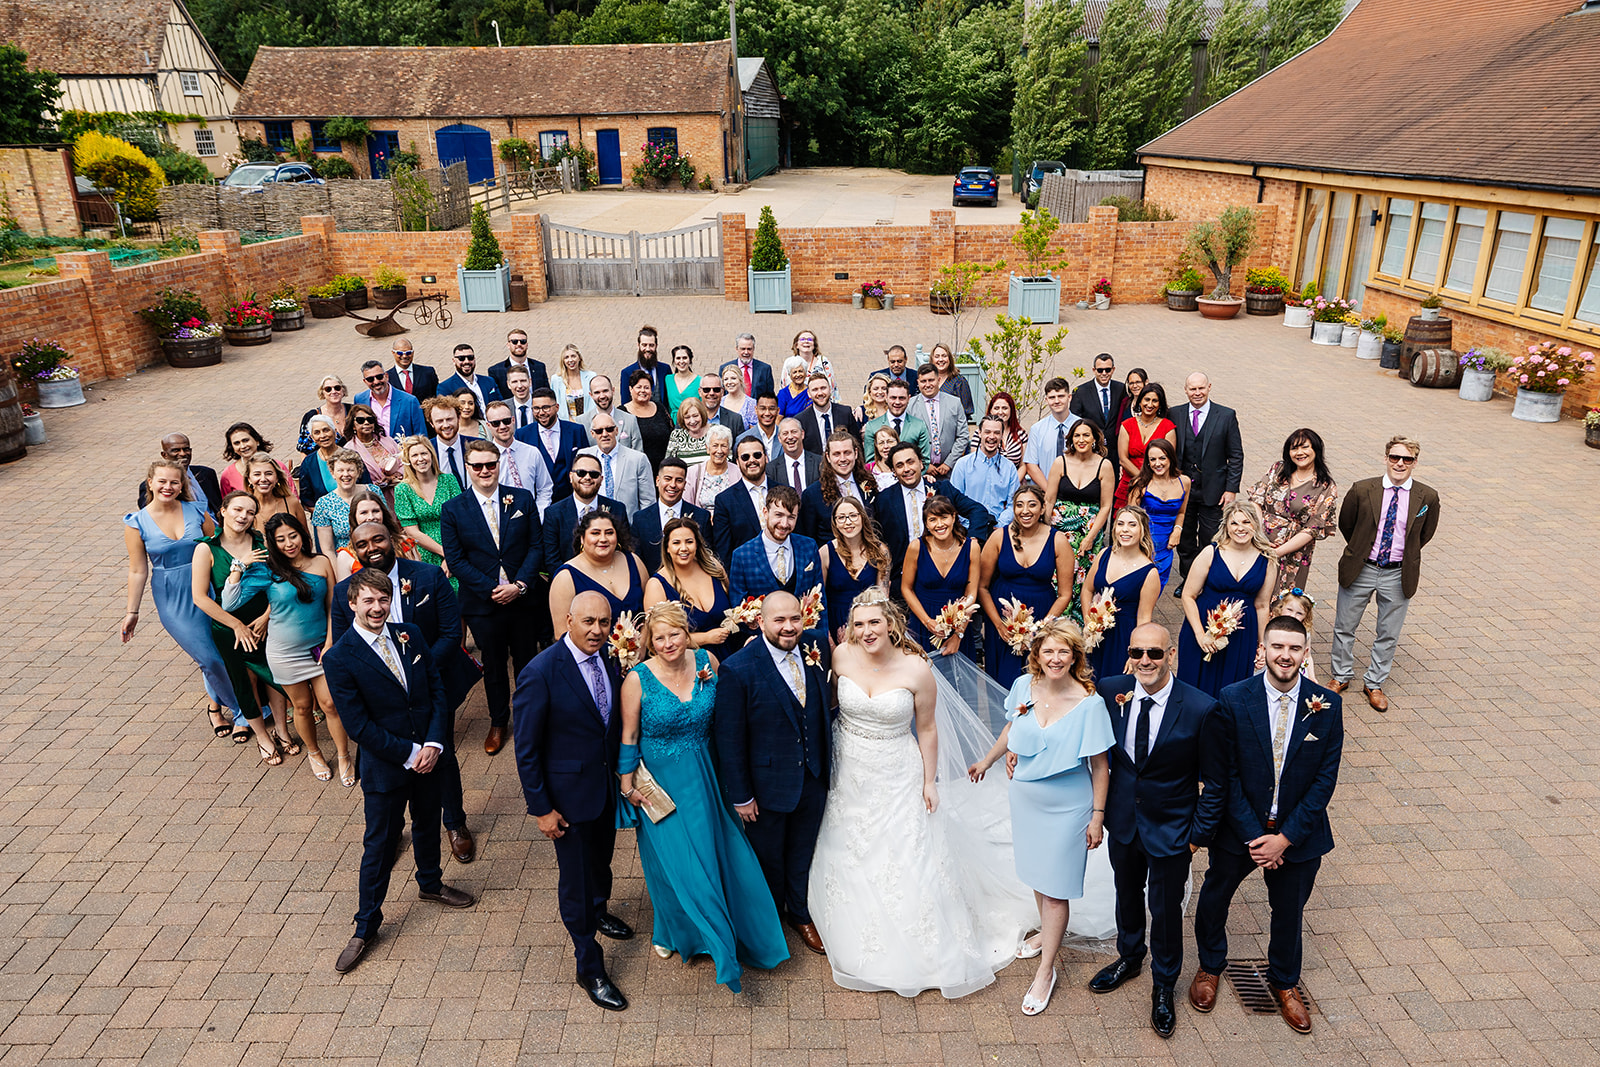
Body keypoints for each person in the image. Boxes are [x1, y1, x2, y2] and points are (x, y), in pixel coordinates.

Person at [812, 591, 1037, 996]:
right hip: (849, 766)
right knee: (849, 840)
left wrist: (929, 781)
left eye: (874, 623)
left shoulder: (916, 669)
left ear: (891, 624)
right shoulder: (841, 657)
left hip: (898, 767)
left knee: (906, 850)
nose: (866, 632)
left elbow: (928, 729)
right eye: (859, 624)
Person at [618, 602, 790, 987]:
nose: (667, 644)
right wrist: (627, 785)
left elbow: (728, 712)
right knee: (674, 864)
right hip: (660, 785)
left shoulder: (706, 661)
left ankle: (735, 934)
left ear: (687, 633)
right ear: (650, 640)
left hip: (709, 776)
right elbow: (629, 736)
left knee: (722, 856)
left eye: (674, 635)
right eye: (658, 638)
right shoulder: (637, 679)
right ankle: (676, 932)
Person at [1192, 615, 1343, 1035]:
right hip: (1240, 826)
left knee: (1289, 911)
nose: (1285, 655)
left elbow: (1324, 781)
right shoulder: (1233, 699)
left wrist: (1285, 839)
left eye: (1295, 648)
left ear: (1305, 653)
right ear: (1263, 649)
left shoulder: (1327, 706)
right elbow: (1225, 775)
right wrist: (1255, 836)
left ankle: (1285, 982)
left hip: (1298, 833)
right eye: (1278, 646)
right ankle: (1209, 966)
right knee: (1215, 896)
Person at [323, 569, 476, 974]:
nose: (377, 608)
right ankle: (366, 924)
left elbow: (437, 691)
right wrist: (411, 753)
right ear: (352, 604)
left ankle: (430, 883)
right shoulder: (339, 657)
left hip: (429, 755)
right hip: (387, 768)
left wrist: (435, 744)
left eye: (383, 599)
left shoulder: (409, 634)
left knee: (428, 823)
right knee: (379, 844)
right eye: (368, 601)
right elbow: (358, 726)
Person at [969, 618, 1115, 1014]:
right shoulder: (1023, 687)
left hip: (1069, 804)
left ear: (1075, 656)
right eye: (1048, 651)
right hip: (1027, 798)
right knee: (1037, 875)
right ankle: (1044, 936)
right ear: (1037, 654)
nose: (1055, 658)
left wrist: (1097, 816)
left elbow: (1100, 766)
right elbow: (1011, 730)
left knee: (1056, 887)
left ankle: (1046, 969)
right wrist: (988, 760)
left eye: (1063, 651)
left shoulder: (1090, 704)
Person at [1089, 622, 1224, 1038]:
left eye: (1155, 653)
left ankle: (1164, 985)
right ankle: (1129, 958)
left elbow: (1216, 782)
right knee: (1126, 895)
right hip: (1124, 822)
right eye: (1137, 652)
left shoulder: (1201, 708)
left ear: (1171, 655)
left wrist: (1198, 835)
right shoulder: (1111, 690)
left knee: (1165, 912)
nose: (1145, 661)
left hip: (1173, 830)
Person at [332, 521, 481, 864]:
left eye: (378, 539)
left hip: (431, 687)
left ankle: (455, 823)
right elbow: (344, 646)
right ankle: (392, 829)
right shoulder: (345, 593)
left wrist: (418, 671)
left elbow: (449, 634)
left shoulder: (428, 577)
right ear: (354, 549)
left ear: (393, 540)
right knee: (386, 761)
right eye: (362, 543)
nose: (372, 548)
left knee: (441, 755)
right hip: (379, 700)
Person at [514, 590, 633, 1011]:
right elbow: (526, 750)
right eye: (589, 622)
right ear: (569, 621)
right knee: (576, 882)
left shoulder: (610, 659)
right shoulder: (541, 672)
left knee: (600, 862)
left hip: (600, 791)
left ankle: (600, 911)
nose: (598, 630)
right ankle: (589, 964)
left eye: (604, 622)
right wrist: (542, 809)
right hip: (565, 802)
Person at [713, 592, 831, 955]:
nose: (789, 627)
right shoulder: (739, 667)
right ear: (761, 622)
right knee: (768, 857)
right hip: (766, 788)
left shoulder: (816, 647)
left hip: (812, 776)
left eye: (795, 618)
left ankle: (799, 914)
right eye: (779, 620)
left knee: (801, 851)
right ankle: (767, 922)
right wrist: (742, 795)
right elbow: (730, 739)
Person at [223, 513, 353, 786]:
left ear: (302, 535)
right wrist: (239, 566)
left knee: (330, 704)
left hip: (320, 648)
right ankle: (315, 754)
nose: (288, 543)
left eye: (292, 536)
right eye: (280, 539)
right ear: (272, 542)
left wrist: (330, 643)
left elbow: (332, 607)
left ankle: (344, 756)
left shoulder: (321, 562)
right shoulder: (267, 571)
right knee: (302, 707)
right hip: (284, 652)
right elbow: (229, 602)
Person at [124, 459, 240, 739]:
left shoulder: (197, 510)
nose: (168, 487)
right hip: (171, 596)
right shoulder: (136, 522)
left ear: (182, 485)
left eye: (174, 482)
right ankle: (243, 710)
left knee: (222, 650)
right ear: (150, 483)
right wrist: (132, 612)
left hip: (208, 587)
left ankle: (221, 708)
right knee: (209, 658)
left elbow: (218, 547)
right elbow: (138, 570)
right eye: (162, 481)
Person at [441, 439, 543, 757]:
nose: (485, 470)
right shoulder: (454, 509)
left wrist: (520, 585)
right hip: (484, 605)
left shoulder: (522, 499)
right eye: (478, 466)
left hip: (523, 600)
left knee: (527, 662)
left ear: (498, 464)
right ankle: (499, 722)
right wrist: (491, 589)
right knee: (495, 665)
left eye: (491, 464)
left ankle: (532, 720)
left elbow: (536, 547)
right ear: (468, 469)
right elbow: (456, 560)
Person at [1328, 436, 1439, 712]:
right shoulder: (1363, 489)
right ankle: (1341, 675)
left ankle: (1374, 683)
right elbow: (1347, 524)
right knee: (1345, 625)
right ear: (1386, 458)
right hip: (1362, 567)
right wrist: (1363, 548)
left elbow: (1425, 533)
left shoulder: (1428, 496)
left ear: (1415, 462)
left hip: (1398, 573)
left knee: (1388, 632)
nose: (1399, 464)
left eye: (1407, 459)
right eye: (1394, 457)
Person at [191, 492, 290, 756]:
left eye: (249, 512)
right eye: (237, 509)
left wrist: (269, 615)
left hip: (265, 622)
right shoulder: (206, 549)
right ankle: (262, 736)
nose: (243, 516)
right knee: (245, 681)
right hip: (230, 628)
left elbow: (280, 582)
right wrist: (236, 625)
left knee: (273, 675)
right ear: (222, 511)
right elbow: (200, 597)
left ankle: (282, 729)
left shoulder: (261, 541)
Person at [1177, 501, 1274, 698]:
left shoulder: (1267, 560)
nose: (1240, 528)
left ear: (1255, 525)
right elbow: (1188, 595)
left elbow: (1262, 605)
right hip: (1203, 627)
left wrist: (1262, 644)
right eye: (1234, 523)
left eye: (1246, 522)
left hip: (1242, 634)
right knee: (1194, 689)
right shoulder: (1211, 553)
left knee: (1232, 690)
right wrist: (1199, 634)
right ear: (1226, 526)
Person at [981, 485, 1074, 685]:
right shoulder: (999, 537)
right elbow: (982, 587)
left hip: (1041, 613)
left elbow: (1065, 594)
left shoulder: (1057, 540)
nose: (1025, 510)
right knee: (1001, 679)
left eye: (1032, 505)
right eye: (1019, 505)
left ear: (1042, 508)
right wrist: (998, 624)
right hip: (1002, 617)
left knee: (1036, 678)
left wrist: (1042, 627)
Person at [874, 442, 995, 592]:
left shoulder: (942, 489)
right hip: (902, 578)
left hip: (943, 575)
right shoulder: (883, 500)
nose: (906, 469)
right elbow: (875, 537)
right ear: (893, 471)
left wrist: (971, 542)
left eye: (910, 462)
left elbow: (978, 510)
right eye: (899, 465)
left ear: (920, 462)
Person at [1170, 373, 1245, 588]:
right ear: (1185, 390)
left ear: (1209, 387)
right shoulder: (1175, 413)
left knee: (1210, 537)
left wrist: (1231, 489)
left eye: (1201, 388)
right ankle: (1188, 579)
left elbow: (1236, 455)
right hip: (1184, 490)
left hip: (1214, 490)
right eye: (1192, 389)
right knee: (1184, 539)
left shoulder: (1226, 415)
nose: (1197, 393)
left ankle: (1207, 580)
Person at [1248, 428, 1340, 602]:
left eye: (1305, 447)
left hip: (1293, 552)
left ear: (1316, 450)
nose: (1299, 453)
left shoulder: (1325, 486)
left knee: (1281, 601)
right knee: (1250, 594)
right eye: (1294, 448)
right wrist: (1259, 534)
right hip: (1259, 542)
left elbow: (1313, 528)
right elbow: (1256, 498)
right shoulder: (1278, 469)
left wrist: (1278, 552)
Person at [1045, 420, 1114, 621]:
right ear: (1071, 439)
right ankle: (1053, 623)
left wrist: (1090, 537)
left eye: (1086, 435)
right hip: (1060, 531)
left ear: (1094, 438)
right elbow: (1049, 499)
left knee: (1083, 581)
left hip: (1089, 533)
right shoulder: (1061, 462)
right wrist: (1047, 532)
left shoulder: (1104, 465)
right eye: (1077, 435)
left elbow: (1105, 506)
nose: (1081, 440)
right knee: (1056, 577)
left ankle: (1080, 627)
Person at [1084, 507, 1161, 682]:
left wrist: (1135, 652)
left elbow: (1144, 617)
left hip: (1122, 638)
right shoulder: (1104, 554)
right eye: (1120, 524)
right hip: (1095, 635)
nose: (1125, 529)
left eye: (1132, 525)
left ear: (1142, 530)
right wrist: (1089, 623)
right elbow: (1087, 589)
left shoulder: (1149, 573)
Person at [902, 495, 981, 659]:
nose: (939, 524)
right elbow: (906, 588)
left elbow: (971, 594)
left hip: (959, 626)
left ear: (953, 517)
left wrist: (958, 635)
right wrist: (927, 622)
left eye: (944, 517)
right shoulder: (916, 547)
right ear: (926, 524)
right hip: (923, 623)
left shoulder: (971, 547)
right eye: (932, 520)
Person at [727, 486, 824, 613]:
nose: (784, 524)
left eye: (791, 517)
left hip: (805, 631)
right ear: (765, 513)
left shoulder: (809, 547)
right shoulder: (742, 555)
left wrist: (821, 632)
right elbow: (738, 607)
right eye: (778, 515)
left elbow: (820, 598)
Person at [643, 516, 734, 650]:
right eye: (676, 543)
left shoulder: (713, 568)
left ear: (697, 544)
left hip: (730, 653)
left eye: (689, 542)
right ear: (667, 547)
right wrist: (706, 638)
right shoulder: (657, 585)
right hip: (691, 662)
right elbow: (658, 638)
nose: (684, 548)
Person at [550, 510, 647, 627]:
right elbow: (562, 632)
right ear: (582, 538)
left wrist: (640, 643)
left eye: (609, 533)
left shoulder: (634, 561)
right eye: (595, 533)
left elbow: (651, 613)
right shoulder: (566, 577)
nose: (603, 539)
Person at [542, 454, 631, 571]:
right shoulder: (553, 513)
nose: (587, 477)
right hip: (568, 582)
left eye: (594, 474)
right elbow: (551, 559)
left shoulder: (617, 509)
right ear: (571, 476)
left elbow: (624, 551)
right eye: (581, 473)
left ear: (601, 479)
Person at [393, 437, 462, 588]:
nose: (420, 459)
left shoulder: (449, 480)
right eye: (414, 455)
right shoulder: (403, 489)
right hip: (424, 554)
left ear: (432, 455)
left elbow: (461, 521)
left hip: (455, 547)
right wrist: (445, 553)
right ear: (408, 460)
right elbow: (412, 531)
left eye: (424, 453)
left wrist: (452, 555)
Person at [818, 497, 889, 641]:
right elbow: (819, 601)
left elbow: (883, 598)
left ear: (862, 517)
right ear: (835, 522)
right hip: (837, 626)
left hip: (870, 626)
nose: (848, 522)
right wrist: (830, 640)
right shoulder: (825, 553)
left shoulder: (880, 551)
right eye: (842, 517)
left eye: (853, 516)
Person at [1129, 439, 1188, 591]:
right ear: (1147, 462)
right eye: (1152, 459)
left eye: (1162, 458)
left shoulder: (1184, 482)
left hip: (1165, 548)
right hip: (1142, 546)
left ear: (1171, 459)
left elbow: (1181, 512)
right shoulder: (1140, 483)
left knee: (1155, 591)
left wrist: (1177, 530)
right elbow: (1129, 519)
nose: (1157, 463)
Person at [634, 459, 712, 573]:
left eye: (679, 480)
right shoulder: (640, 519)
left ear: (685, 484)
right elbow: (636, 561)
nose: (673, 485)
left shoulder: (701, 516)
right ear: (657, 481)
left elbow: (707, 556)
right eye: (668, 479)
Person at [799, 430, 875, 543]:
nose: (843, 459)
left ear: (856, 453)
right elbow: (809, 538)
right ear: (828, 457)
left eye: (847, 452)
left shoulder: (869, 484)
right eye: (836, 454)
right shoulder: (812, 495)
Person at [712, 437, 776, 563]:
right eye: (745, 457)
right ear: (737, 462)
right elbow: (723, 551)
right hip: (747, 575)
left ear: (766, 458)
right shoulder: (725, 501)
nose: (752, 460)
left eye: (757, 455)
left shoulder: (785, 491)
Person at [517, 388, 588, 502]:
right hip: (540, 502)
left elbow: (586, 463)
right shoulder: (522, 435)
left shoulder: (576, 430)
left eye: (546, 407)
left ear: (557, 407)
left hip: (572, 499)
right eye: (536, 408)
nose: (541, 412)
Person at [484, 400, 554, 516]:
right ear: (488, 426)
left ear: (513, 420)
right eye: (496, 423)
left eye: (506, 421)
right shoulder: (484, 459)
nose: (502, 427)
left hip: (531, 519)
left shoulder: (532, 452)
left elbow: (545, 488)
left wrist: (538, 514)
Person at [1114, 382, 1176, 511]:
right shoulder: (1127, 425)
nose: (1150, 404)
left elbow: (1168, 460)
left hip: (1156, 485)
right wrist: (1142, 478)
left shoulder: (1168, 427)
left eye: (1155, 401)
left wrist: (1150, 482)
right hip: (1129, 483)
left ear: (1160, 404)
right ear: (1140, 401)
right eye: (1147, 399)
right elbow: (1123, 459)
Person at [953, 415, 1022, 528]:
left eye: (996, 433)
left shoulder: (1009, 468)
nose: (992, 436)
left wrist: (1000, 525)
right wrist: (970, 525)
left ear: (1001, 436)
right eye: (987, 432)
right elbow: (954, 501)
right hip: (968, 529)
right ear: (980, 433)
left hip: (999, 530)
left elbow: (1013, 504)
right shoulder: (963, 465)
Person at [580, 412, 654, 515]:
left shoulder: (638, 459)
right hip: (593, 524)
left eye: (609, 429)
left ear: (617, 430)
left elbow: (648, 501)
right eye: (599, 431)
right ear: (592, 434)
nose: (605, 434)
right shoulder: (583, 456)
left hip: (628, 525)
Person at [333, 489, 416, 580]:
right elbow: (344, 591)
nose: (371, 517)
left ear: (383, 513)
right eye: (364, 513)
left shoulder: (404, 542)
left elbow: (418, 577)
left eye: (375, 511)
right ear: (354, 517)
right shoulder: (346, 555)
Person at [136, 432, 224, 516]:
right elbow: (151, 515)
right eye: (176, 450)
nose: (183, 454)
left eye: (186, 449)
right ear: (164, 455)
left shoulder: (206, 474)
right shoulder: (154, 486)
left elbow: (218, 505)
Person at [909, 362, 969, 478]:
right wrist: (924, 464)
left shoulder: (954, 403)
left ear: (938, 380)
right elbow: (907, 440)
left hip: (949, 470)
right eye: (923, 381)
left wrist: (948, 463)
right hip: (921, 471)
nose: (927, 384)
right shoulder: (910, 406)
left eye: (931, 380)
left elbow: (963, 436)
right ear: (918, 383)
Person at [297, 417, 368, 508]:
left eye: (326, 430)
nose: (323, 435)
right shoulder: (309, 463)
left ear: (334, 432)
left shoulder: (352, 457)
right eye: (317, 432)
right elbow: (307, 498)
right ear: (313, 438)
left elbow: (366, 485)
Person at [311, 449, 367, 557]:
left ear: (358, 472)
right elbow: (328, 549)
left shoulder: (373, 492)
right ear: (332, 473)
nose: (345, 475)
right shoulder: (324, 504)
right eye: (340, 470)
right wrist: (339, 572)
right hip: (347, 559)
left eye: (350, 470)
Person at [355, 358, 427, 438]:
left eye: (379, 377)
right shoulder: (360, 399)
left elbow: (421, 435)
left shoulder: (409, 401)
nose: (376, 382)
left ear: (386, 376)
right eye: (370, 379)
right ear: (365, 381)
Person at [218, 422, 294, 498]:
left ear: (257, 441)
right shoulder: (228, 474)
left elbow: (292, 495)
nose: (243, 446)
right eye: (237, 443)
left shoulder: (278, 466)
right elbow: (227, 504)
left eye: (245, 440)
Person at [1257, 590, 1319, 682]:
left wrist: (1312, 676)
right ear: (1281, 608)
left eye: (1299, 613)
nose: (1293, 615)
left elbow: (1308, 656)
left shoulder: (1305, 632)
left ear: (1306, 616)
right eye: (1289, 610)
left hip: (1296, 670)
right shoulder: (1272, 628)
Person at [863, 379, 931, 463]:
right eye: (893, 398)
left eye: (902, 398)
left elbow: (924, 460)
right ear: (886, 397)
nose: (897, 402)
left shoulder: (919, 425)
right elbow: (870, 461)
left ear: (908, 398)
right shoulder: (872, 426)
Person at [346, 403, 405, 495]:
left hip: (400, 493)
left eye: (370, 419)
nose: (366, 423)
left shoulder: (387, 440)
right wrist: (378, 485)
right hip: (372, 497)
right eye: (360, 420)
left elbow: (405, 463)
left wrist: (394, 477)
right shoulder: (349, 449)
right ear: (353, 425)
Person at [575, 374, 642, 453]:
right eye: (597, 393)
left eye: (605, 391)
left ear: (613, 390)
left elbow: (638, 454)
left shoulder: (630, 420)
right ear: (591, 395)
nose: (602, 396)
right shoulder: (581, 422)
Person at [621, 370, 672, 471]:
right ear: (630, 389)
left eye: (646, 387)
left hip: (662, 468)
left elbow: (671, 431)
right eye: (638, 387)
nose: (643, 391)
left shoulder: (659, 407)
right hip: (635, 469)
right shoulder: (622, 413)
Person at [246, 453, 308, 535]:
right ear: (249, 479)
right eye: (257, 474)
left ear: (277, 478)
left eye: (269, 473)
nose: (263, 479)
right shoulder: (244, 507)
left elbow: (306, 538)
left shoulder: (291, 502)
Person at [797, 372, 858, 455]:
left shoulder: (845, 413)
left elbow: (856, 444)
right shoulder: (801, 420)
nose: (820, 393)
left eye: (823, 388)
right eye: (815, 389)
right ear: (809, 393)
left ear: (830, 389)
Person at [1070, 353, 1127, 439]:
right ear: (1094, 370)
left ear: (1113, 369)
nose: (1104, 373)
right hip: (1091, 445)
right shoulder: (1080, 392)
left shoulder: (1121, 389)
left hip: (1115, 446)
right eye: (1100, 370)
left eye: (1107, 370)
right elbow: (1075, 421)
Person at [682, 425, 735, 514]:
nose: (719, 450)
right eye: (715, 445)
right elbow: (687, 505)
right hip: (700, 523)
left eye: (723, 446)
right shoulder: (693, 472)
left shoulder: (738, 472)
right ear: (707, 448)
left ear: (729, 449)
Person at [426, 397, 475, 494]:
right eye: (439, 421)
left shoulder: (476, 445)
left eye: (449, 419)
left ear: (459, 418)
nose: (446, 425)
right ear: (432, 423)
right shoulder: (426, 451)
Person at [488, 328, 550, 399]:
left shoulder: (539, 367)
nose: (519, 344)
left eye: (523, 341)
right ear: (508, 345)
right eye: (514, 341)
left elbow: (546, 393)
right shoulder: (496, 371)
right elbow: (496, 397)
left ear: (527, 345)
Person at [437, 344, 502, 412]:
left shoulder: (489, 381)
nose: (466, 361)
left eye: (470, 357)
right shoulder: (445, 387)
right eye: (461, 358)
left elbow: (500, 404)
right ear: (454, 361)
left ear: (474, 359)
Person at [298, 375, 352, 454]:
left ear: (343, 390)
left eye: (337, 388)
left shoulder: (353, 411)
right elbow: (305, 450)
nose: (333, 392)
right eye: (328, 389)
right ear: (322, 393)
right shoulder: (313, 416)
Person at [619, 323, 668, 405]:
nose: (648, 349)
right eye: (644, 345)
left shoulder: (665, 369)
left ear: (656, 346)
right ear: (638, 345)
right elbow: (625, 403)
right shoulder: (627, 373)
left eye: (651, 345)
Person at [769, 417, 820, 494]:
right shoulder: (771, 469)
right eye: (785, 433)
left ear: (802, 434)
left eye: (794, 432)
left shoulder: (819, 463)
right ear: (779, 438)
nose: (790, 437)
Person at [721, 332, 775, 400]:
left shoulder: (765, 369)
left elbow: (770, 395)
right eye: (743, 349)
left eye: (749, 349)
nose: (746, 352)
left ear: (753, 349)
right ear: (737, 349)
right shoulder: (724, 368)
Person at [927, 343, 975, 419]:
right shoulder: (927, 380)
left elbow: (966, 411)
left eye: (944, 356)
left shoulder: (959, 381)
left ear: (949, 359)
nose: (941, 359)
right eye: (937, 356)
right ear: (932, 360)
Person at [666, 396, 713, 465]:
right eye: (687, 417)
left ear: (702, 414)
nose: (692, 421)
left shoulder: (715, 432)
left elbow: (727, 459)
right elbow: (668, 464)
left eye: (695, 416)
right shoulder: (677, 435)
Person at [986, 392, 1027, 470]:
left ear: (1011, 410)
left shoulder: (1021, 434)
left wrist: (1013, 481)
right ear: (990, 410)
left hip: (1015, 479)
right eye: (996, 408)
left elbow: (1023, 465)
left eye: (1005, 408)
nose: (1000, 412)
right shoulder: (980, 434)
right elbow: (978, 463)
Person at [697, 371, 744, 436]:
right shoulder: (687, 418)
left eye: (716, 389)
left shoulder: (735, 420)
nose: (711, 393)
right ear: (700, 392)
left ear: (722, 392)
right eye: (706, 389)